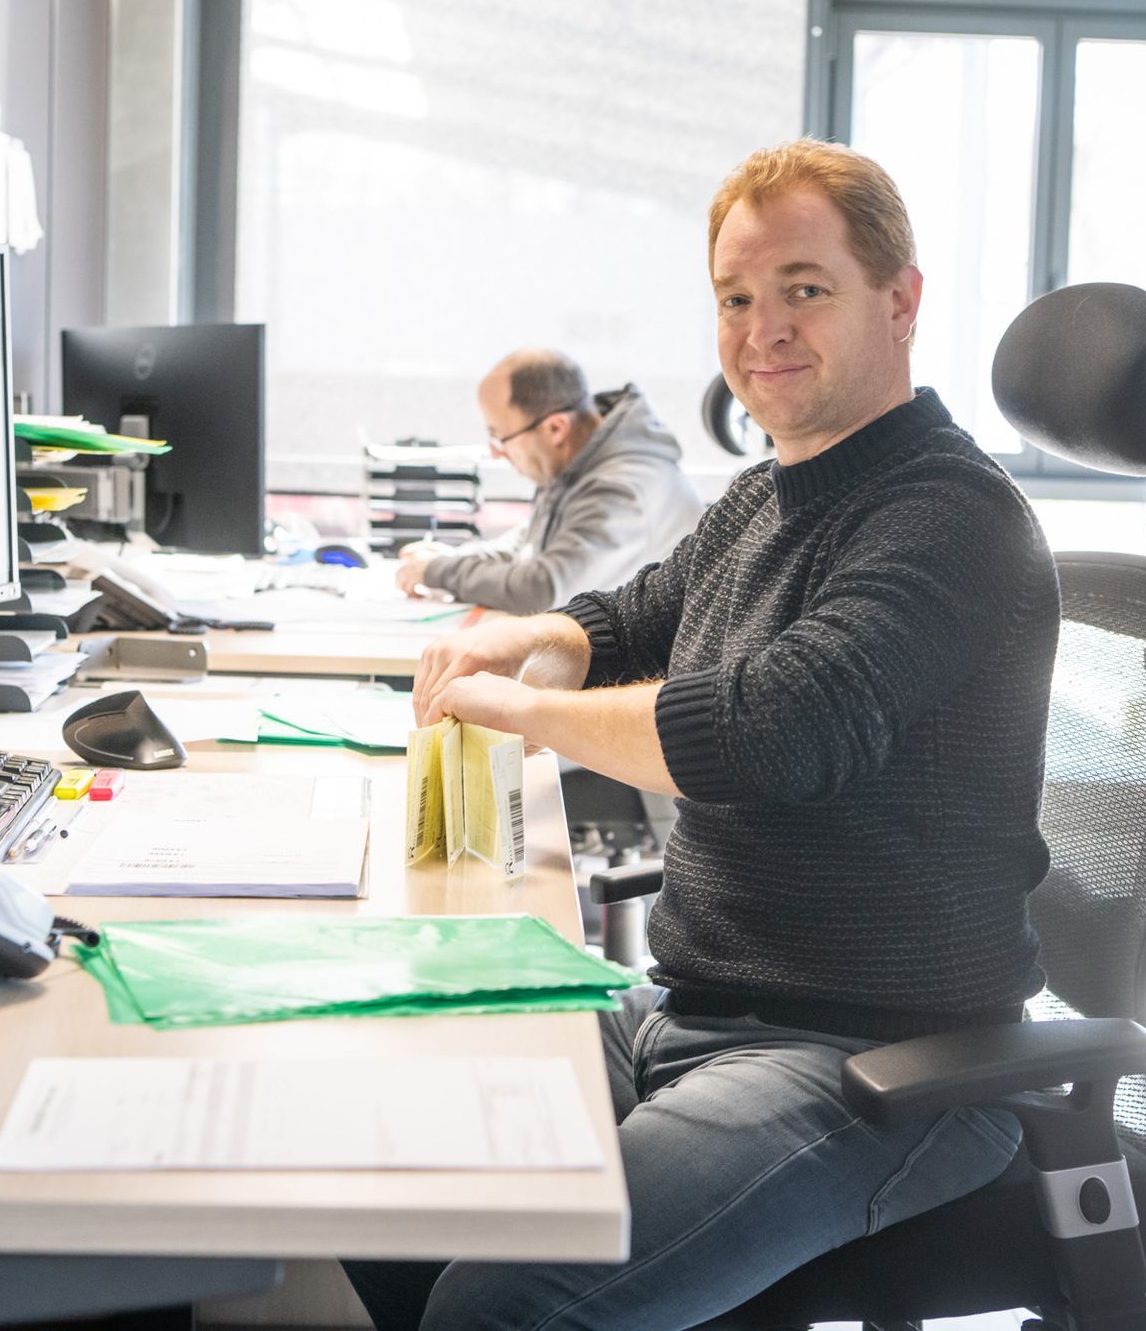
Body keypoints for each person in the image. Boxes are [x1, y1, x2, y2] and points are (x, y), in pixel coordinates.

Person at [346, 138, 1061, 1330]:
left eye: (804, 289)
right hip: (693, 1010)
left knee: (499, 1304)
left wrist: (523, 712)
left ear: (902, 301)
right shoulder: (772, 487)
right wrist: (529, 644)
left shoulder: (950, 514)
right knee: (384, 1177)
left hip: (881, 1061)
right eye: (736, 298)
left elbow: (776, 731)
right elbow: (634, 616)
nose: (762, 329)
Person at [394, 349, 702, 614]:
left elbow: (545, 591)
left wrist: (439, 572)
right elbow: (530, 541)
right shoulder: (580, 463)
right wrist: (453, 560)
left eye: (500, 436)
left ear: (555, 428)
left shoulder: (622, 488)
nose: (495, 452)